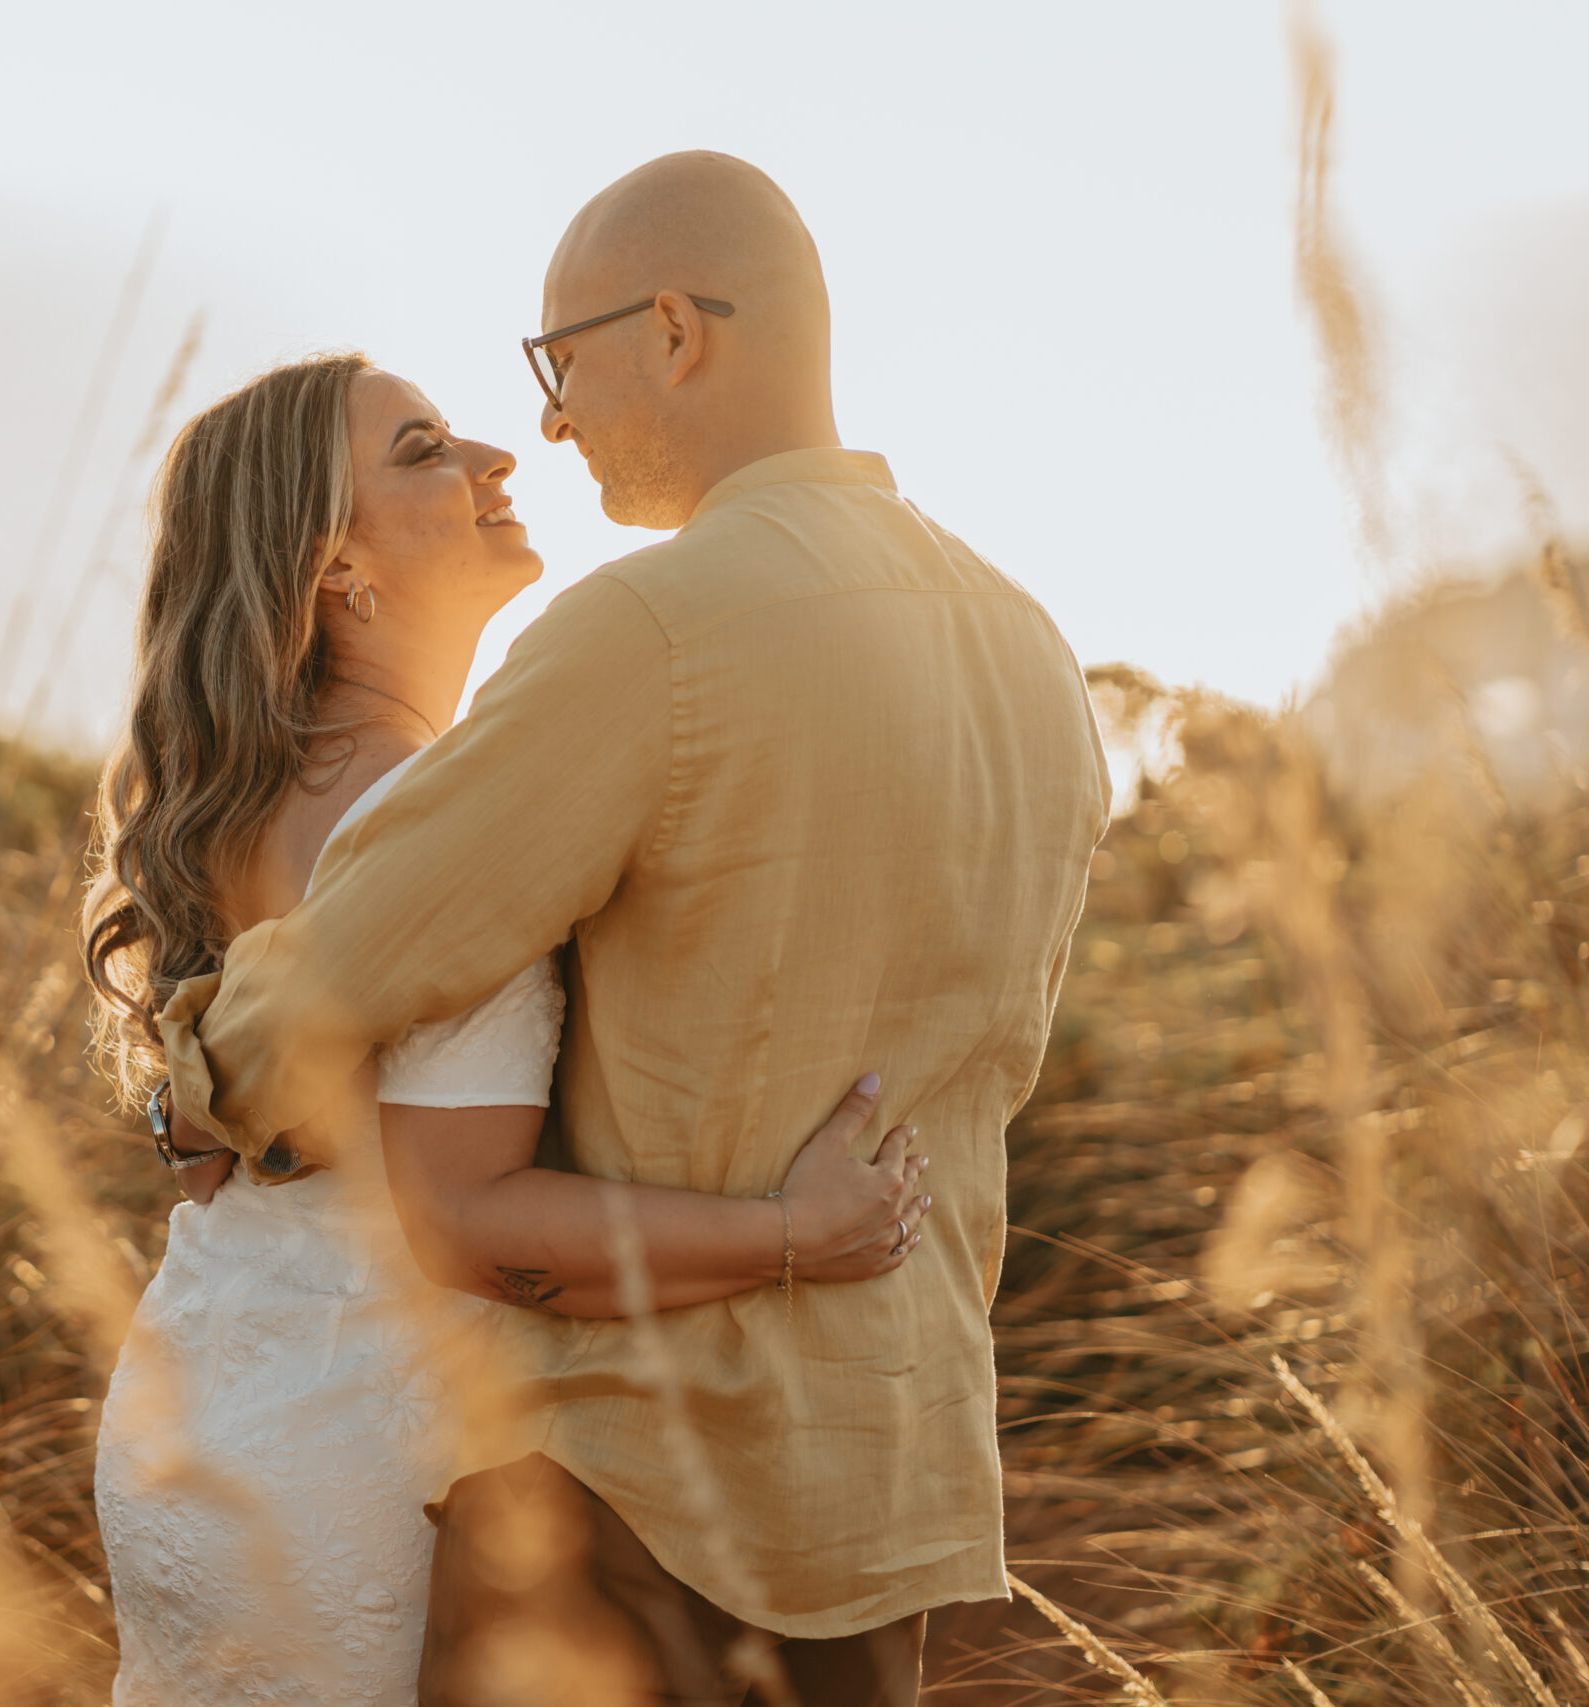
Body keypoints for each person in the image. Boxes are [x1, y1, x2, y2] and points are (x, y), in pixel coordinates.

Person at [157, 152, 1111, 1707]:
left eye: (560, 360)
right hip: (890, 1511)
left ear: (674, 329)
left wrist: (186, 1083)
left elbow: (361, 950)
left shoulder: (652, 627)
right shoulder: (1033, 655)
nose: (544, 420)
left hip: (631, 1509)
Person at [83, 351, 935, 1706]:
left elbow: (204, 1146)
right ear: (332, 566)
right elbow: (464, 1223)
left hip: (192, 1415)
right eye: (423, 449)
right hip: (354, 1473)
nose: (496, 458)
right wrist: (793, 1236)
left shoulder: (244, 808)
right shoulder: (438, 816)